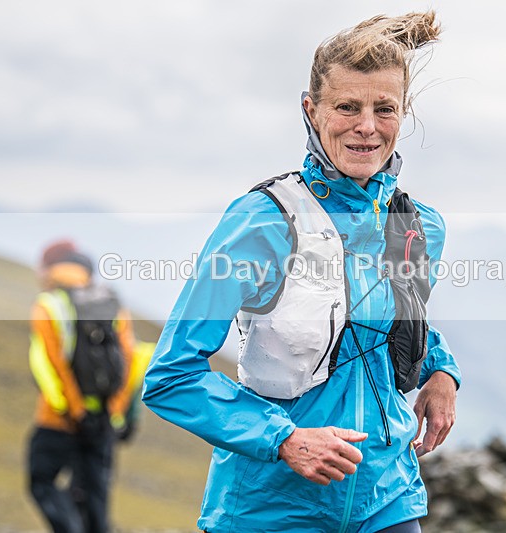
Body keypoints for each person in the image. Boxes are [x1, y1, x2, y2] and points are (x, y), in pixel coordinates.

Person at [143, 11, 461, 533]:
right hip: (270, 508)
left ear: (403, 113)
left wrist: (442, 372)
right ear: (312, 111)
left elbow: (389, 322)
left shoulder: (416, 225)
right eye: (347, 107)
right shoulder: (261, 224)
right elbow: (172, 376)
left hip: (388, 499)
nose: (367, 126)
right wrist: (284, 438)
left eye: (384, 108)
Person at [27, 239, 137, 533]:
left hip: (59, 419)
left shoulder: (49, 304)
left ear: (51, 268)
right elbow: (130, 358)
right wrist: (114, 411)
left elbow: (49, 365)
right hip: (103, 419)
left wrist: (73, 410)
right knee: (95, 499)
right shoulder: (112, 302)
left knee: (41, 481)